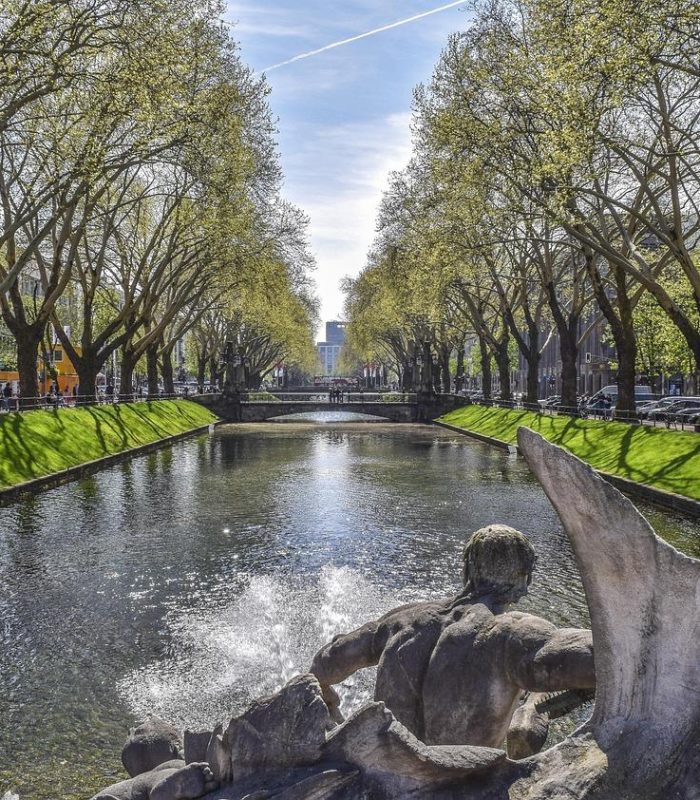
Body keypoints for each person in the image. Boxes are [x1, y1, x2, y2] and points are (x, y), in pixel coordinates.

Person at [310, 525, 594, 753]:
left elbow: (325, 664)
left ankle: (528, 709)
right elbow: (600, 660)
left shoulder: (402, 620)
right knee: (532, 698)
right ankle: (529, 710)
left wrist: (326, 694)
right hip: (459, 785)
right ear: (525, 580)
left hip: (385, 780)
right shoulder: (510, 634)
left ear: (466, 571)